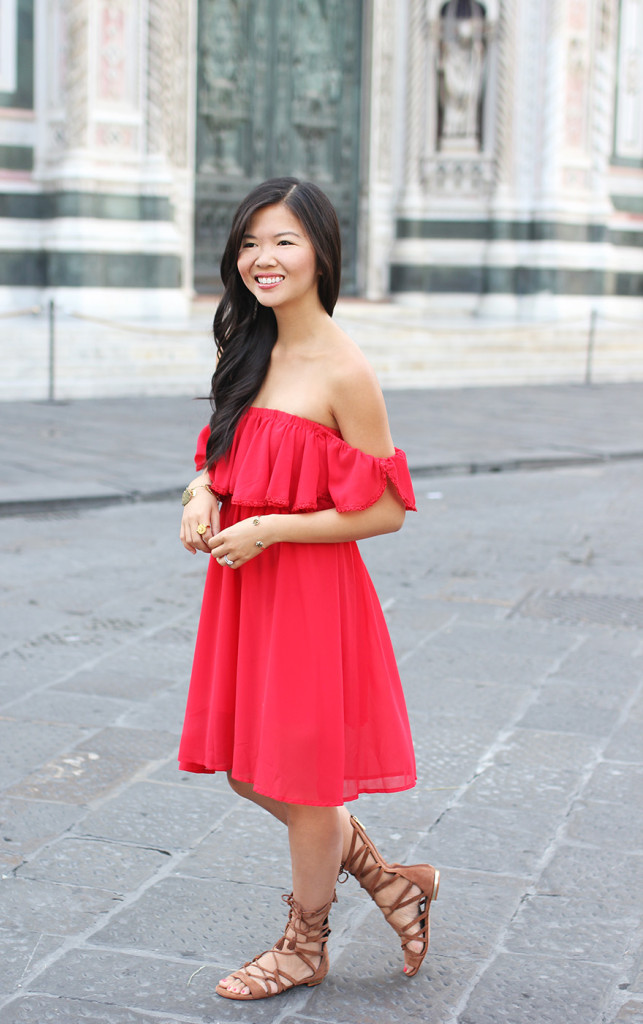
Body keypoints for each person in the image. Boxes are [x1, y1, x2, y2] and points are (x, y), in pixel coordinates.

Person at [179, 177, 439, 1002]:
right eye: (251, 242)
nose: (263, 258)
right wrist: (202, 494)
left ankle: (304, 943)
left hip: (306, 594)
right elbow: (224, 456)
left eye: (284, 241)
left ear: (322, 252)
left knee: (299, 776)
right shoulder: (247, 346)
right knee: (249, 772)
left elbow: (389, 511)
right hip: (246, 587)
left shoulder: (344, 369)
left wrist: (270, 529)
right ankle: (392, 882)